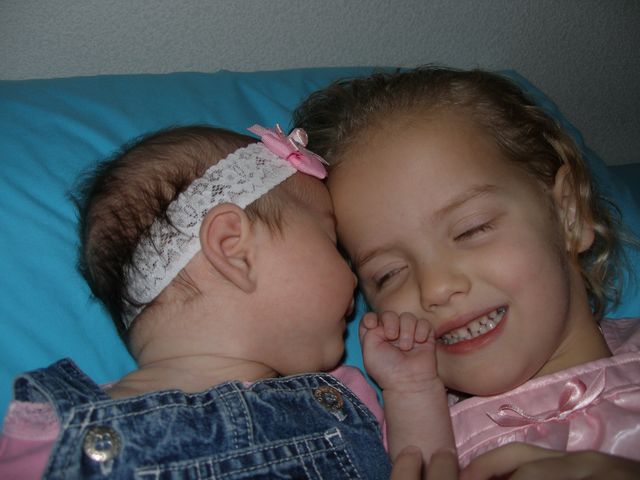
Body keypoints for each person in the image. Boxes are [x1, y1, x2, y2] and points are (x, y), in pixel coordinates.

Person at [0, 123, 456, 479]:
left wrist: (412, 390)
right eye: (332, 242)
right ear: (232, 247)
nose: (353, 277)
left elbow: (423, 466)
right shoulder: (61, 425)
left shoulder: (342, 394)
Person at [293, 66, 640, 479]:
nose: (436, 288)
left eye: (471, 229)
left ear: (569, 214)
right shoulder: (404, 447)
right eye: (388, 274)